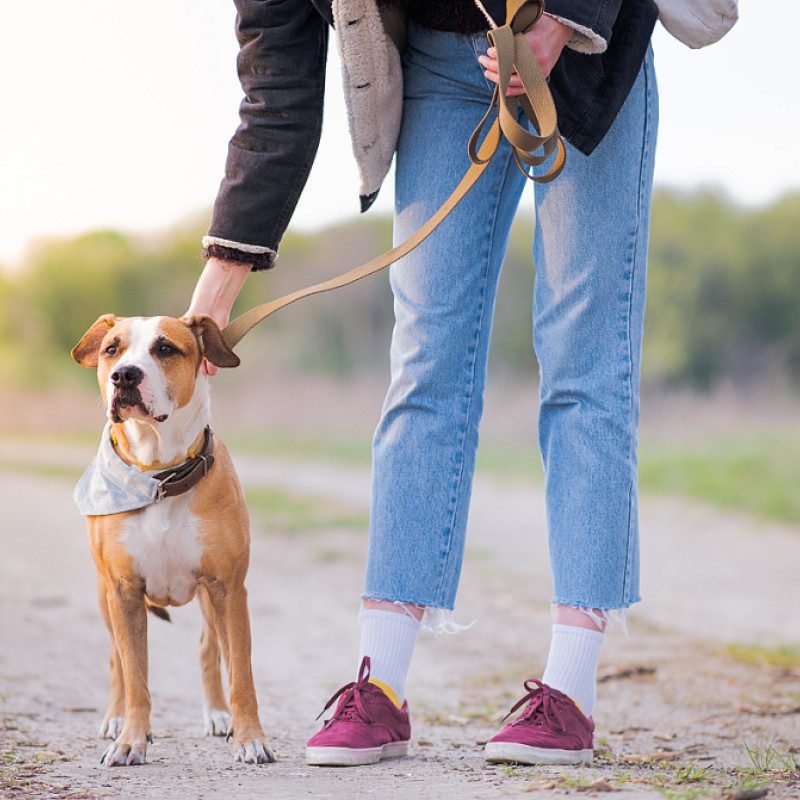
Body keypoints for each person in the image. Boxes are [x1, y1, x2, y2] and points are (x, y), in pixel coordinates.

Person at [187, 0, 659, 769]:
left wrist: (564, 23)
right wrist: (219, 281)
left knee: (585, 360)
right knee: (425, 359)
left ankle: (568, 692)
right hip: (441, 66)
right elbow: (278, 89)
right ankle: (381, 688)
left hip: (581, 47)